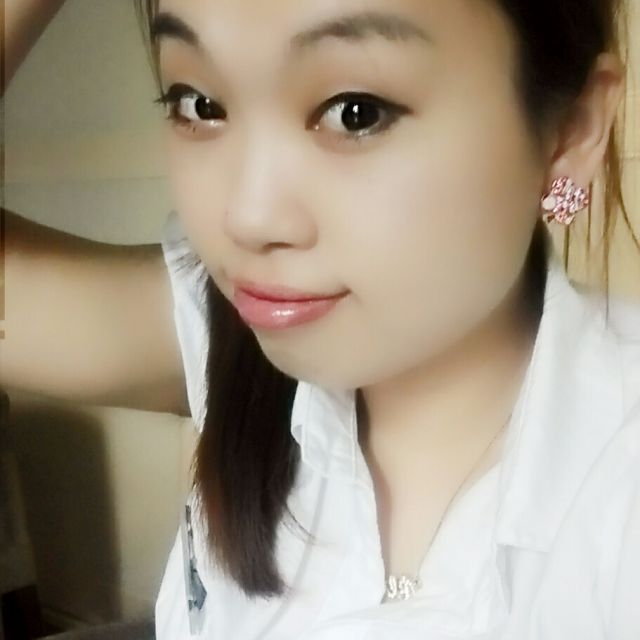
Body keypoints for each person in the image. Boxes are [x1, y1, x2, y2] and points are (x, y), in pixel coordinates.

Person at [3, 0, 640, 638]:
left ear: (572, 130)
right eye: (199, 104)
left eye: (355, 112)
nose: (248, 219)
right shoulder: (233, 333)